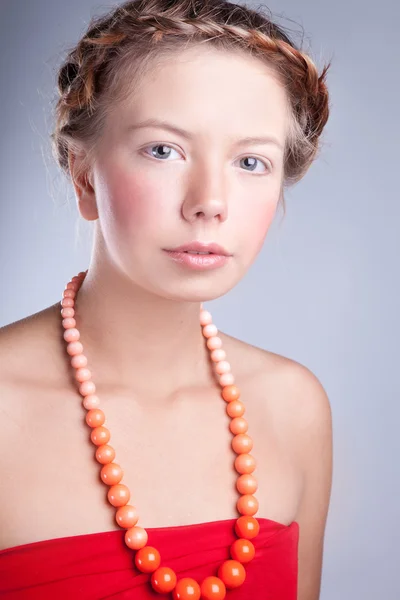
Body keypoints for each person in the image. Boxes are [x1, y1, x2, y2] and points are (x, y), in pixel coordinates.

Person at [0, 0, 333, 598]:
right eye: (163, 150)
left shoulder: (292, 408)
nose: (209, 201)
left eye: (251, 161)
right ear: (83, 176)